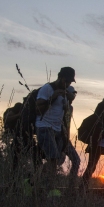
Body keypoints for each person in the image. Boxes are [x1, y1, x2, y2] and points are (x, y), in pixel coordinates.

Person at [35, 67, 76, 195]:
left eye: (70, 82)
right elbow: (38, 108)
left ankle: (33, 182)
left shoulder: (65, 93)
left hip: (57, 130)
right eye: (66, 81)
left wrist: (68, 97)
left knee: (57, 158)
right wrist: (53, 97)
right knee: (53, 158)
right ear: (60, 77)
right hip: (44, 127)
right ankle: (50, 189)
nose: (67, 84)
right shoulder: (47, 88)